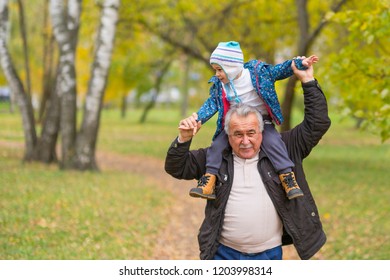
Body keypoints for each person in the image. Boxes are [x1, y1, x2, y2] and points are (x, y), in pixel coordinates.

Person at [165, 61, 331, 260]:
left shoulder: (285, 148)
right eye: (237, 134)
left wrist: (308, 82)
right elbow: (177, 167)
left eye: (251, 132)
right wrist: (184, 139)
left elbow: (317, 123)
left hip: (269, 255)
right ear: (227, 134)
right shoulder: (216, 157)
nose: (245, 141)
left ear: (262, 130)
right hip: (223, 254)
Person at [181, 41, 318, 200]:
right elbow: (211, 104)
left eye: (220, 70)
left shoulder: (257, 74)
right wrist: (197, 119)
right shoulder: (221, 85)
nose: (217, 74)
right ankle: (209, 180)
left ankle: (287, 178)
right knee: (217, 146)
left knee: (274, 142)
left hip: (261, 121)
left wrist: (299, 63)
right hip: (235, 124)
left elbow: (279, 70)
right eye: (216, 70)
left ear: (231, 67)